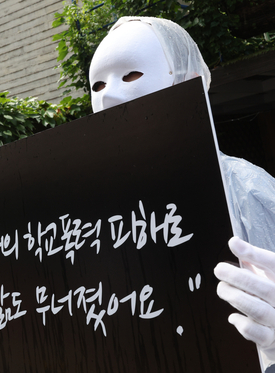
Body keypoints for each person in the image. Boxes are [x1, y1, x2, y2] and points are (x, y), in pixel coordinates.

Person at [88, 16, 275, 368]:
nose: (108, 95)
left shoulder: (244, 186)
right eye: (96, 85)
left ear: (189, 84)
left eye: (130, 75)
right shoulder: (105, 206)